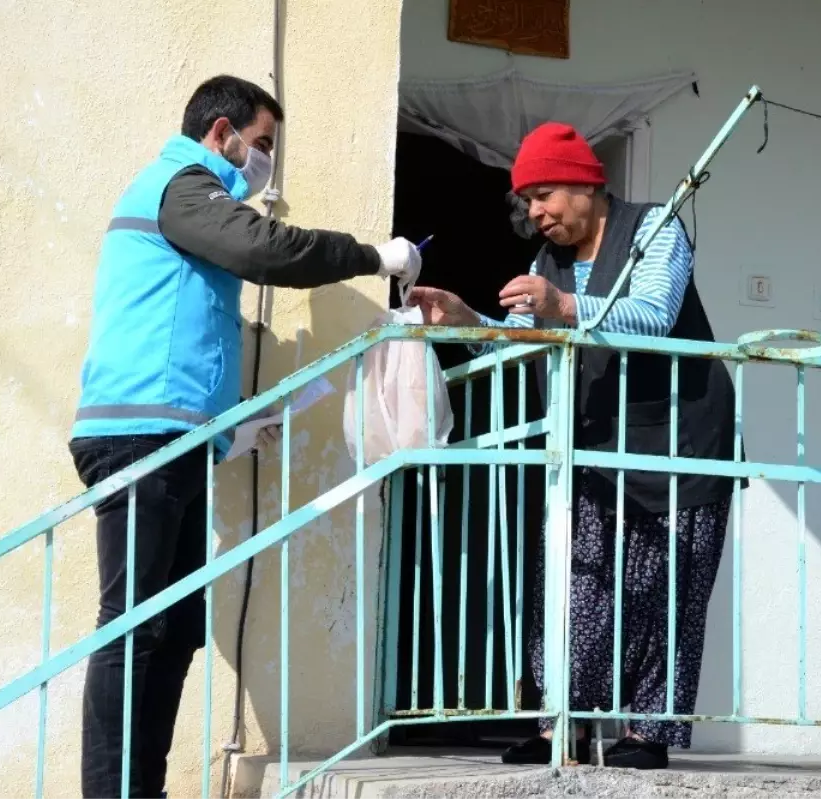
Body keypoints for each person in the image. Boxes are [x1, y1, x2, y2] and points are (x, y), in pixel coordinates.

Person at [69, 74, 420, 798]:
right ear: (221, 132)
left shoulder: (190, 197)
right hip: (141, 441)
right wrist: (373, 257)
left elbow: (180, 330)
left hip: (174, 441)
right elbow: (268, 251)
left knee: (175, 627)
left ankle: (141, 788)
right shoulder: (183, 185)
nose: (264, 162)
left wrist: (225, 436)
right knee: (134, 627)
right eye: (261, 144)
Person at [408, 122, 743, 770]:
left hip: (683, 437)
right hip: (598, 438)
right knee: (574, 581)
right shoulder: (547, 263)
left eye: (545, 194)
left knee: (669, 591)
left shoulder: (654, 229)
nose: (535, 212)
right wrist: (469, 321)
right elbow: (527, 332)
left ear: (588, 184)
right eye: (527, 199)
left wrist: (563, 304)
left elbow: (653, 315)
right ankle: (558, 721)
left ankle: (646, 735)